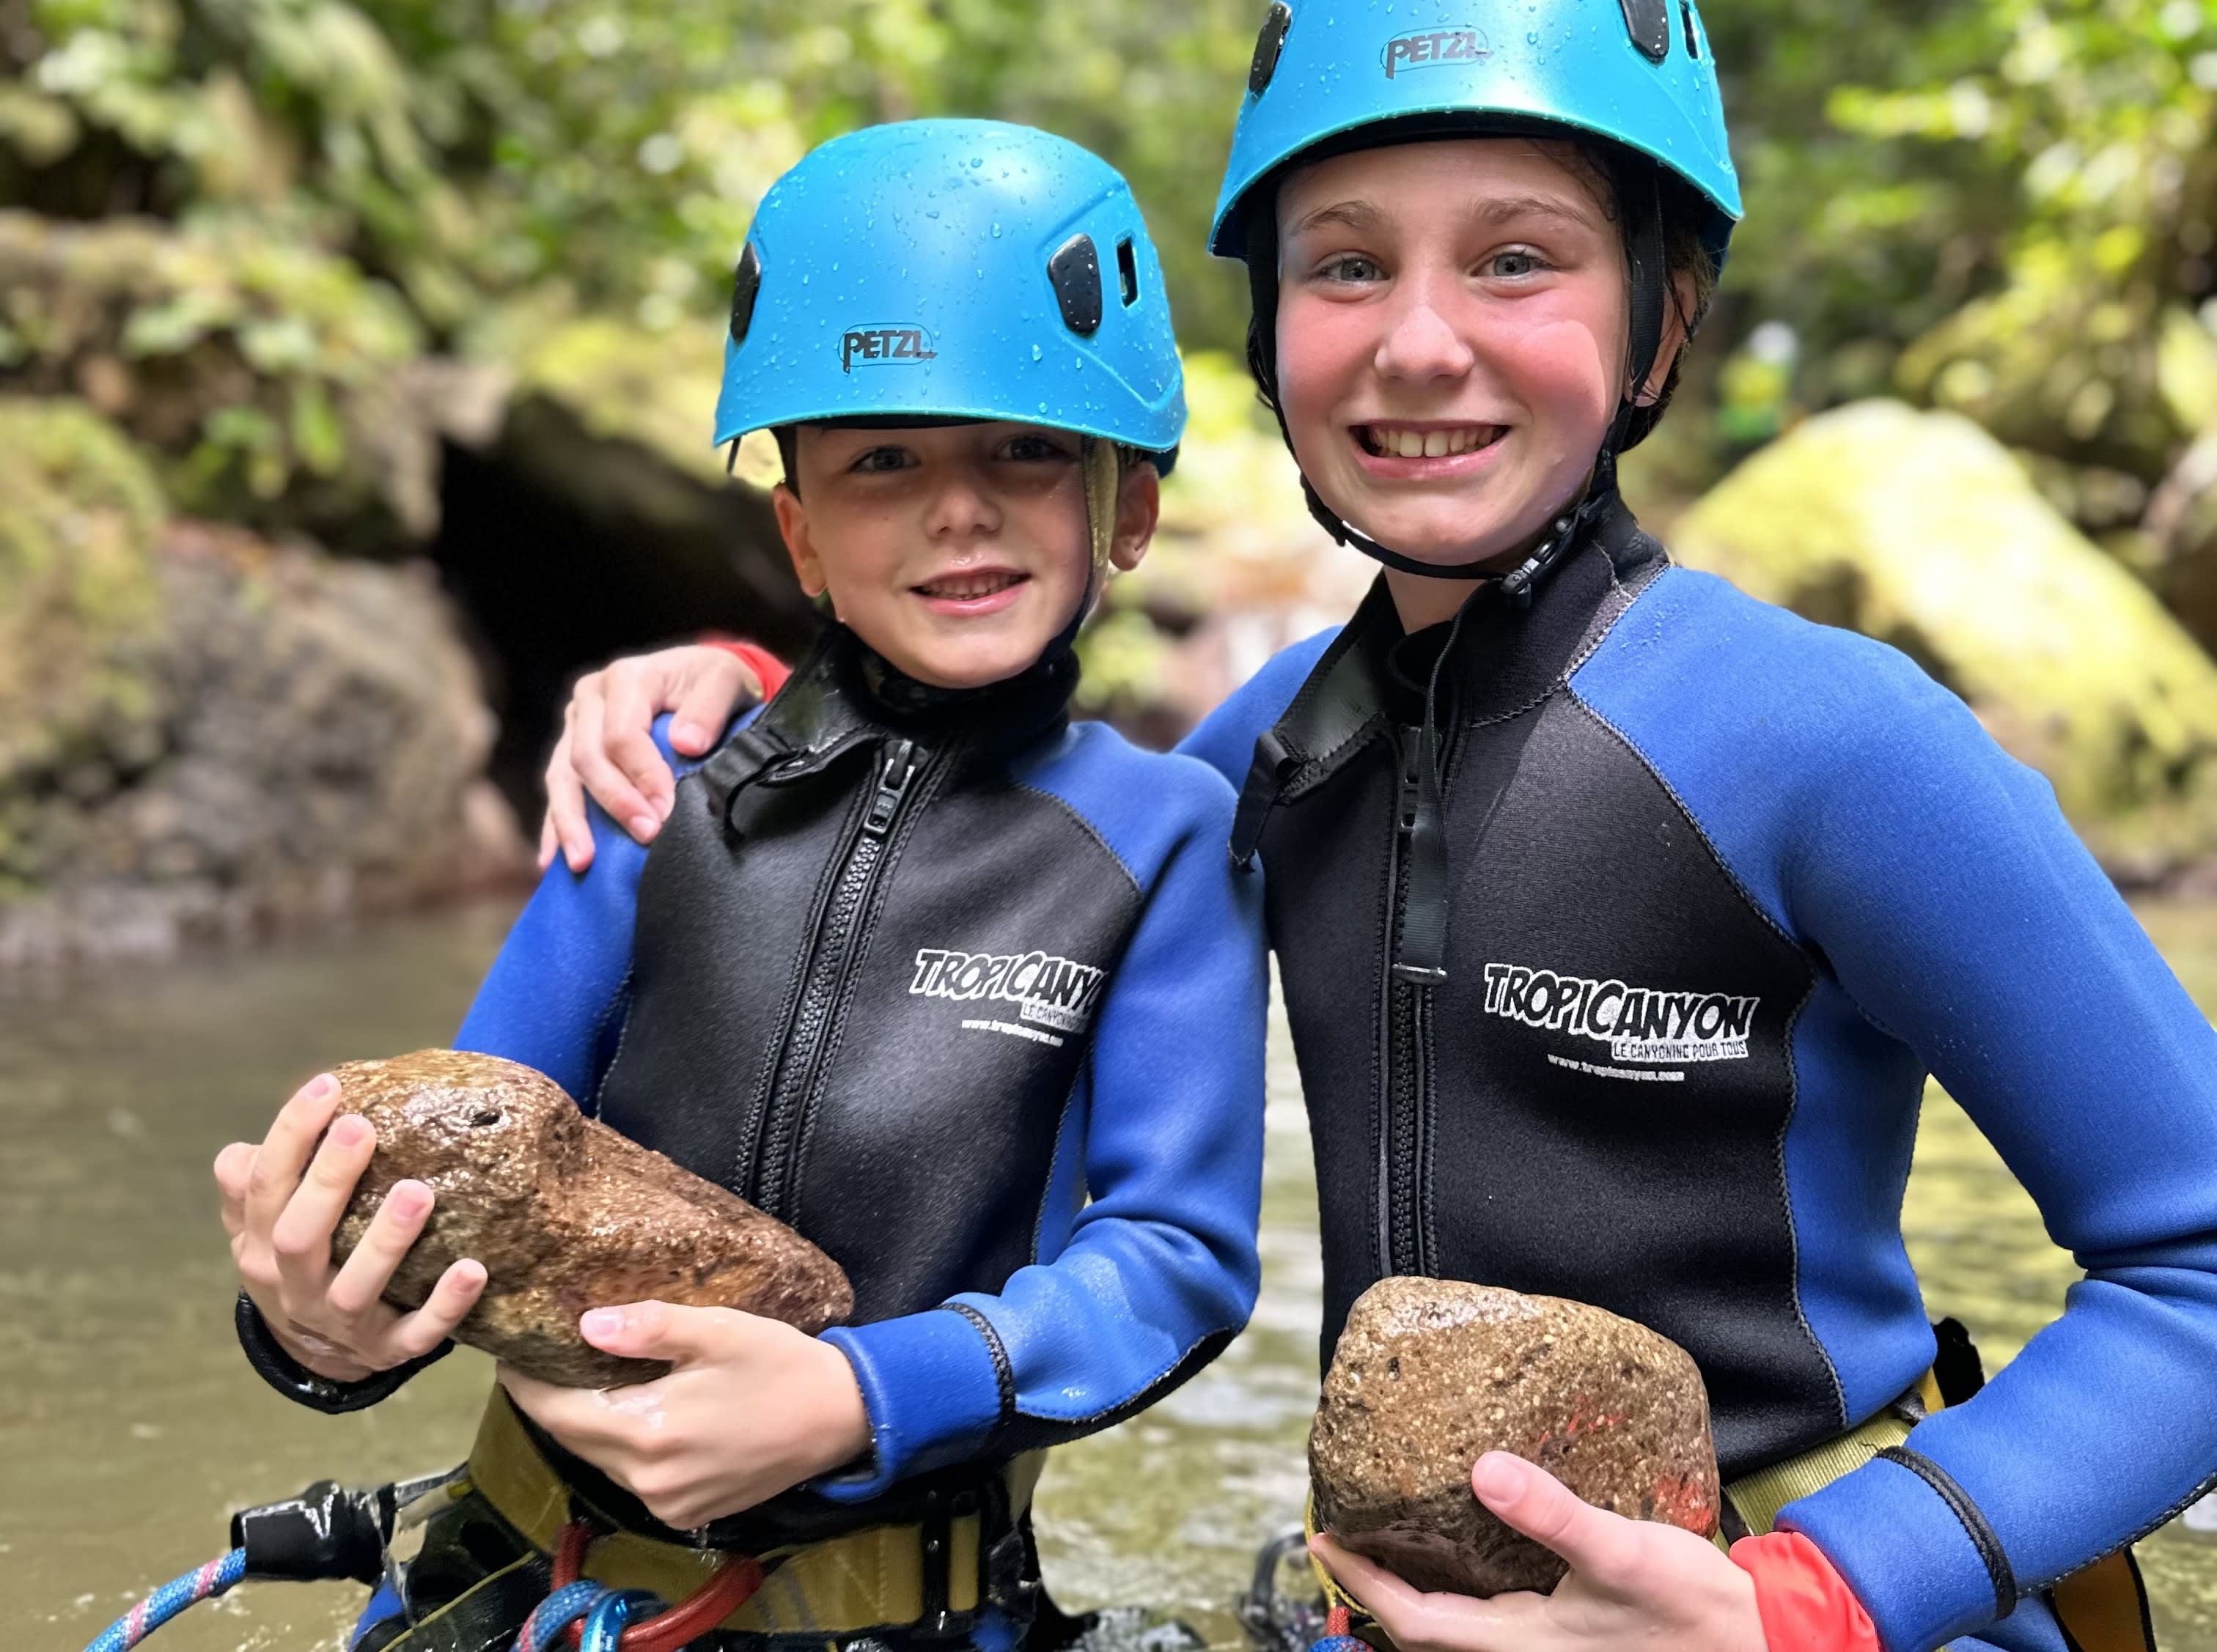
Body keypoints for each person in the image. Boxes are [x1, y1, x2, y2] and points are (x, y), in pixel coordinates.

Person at [541, 5, 2217, 1651]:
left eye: (1516, 259)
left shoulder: (1836, 746)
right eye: (1346, 265)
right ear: (1270, 331)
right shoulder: (1254, 758)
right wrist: (744, 702)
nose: (1420, 342)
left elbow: (2196, 1263)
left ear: (1666, 315)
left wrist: (1815, 1596)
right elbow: (969, 810)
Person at [211, 117, 1268, 1652]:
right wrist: (315, 1328)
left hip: (906, 1607)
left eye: (1025, 450)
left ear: (1130, 508)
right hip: (518, 1577)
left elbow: (1177, 1255)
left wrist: (864, 1391)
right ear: (800, 534)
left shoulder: (1164, 836)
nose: (956, 507)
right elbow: (461, 1150)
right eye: (882, 458)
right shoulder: (658, 789)